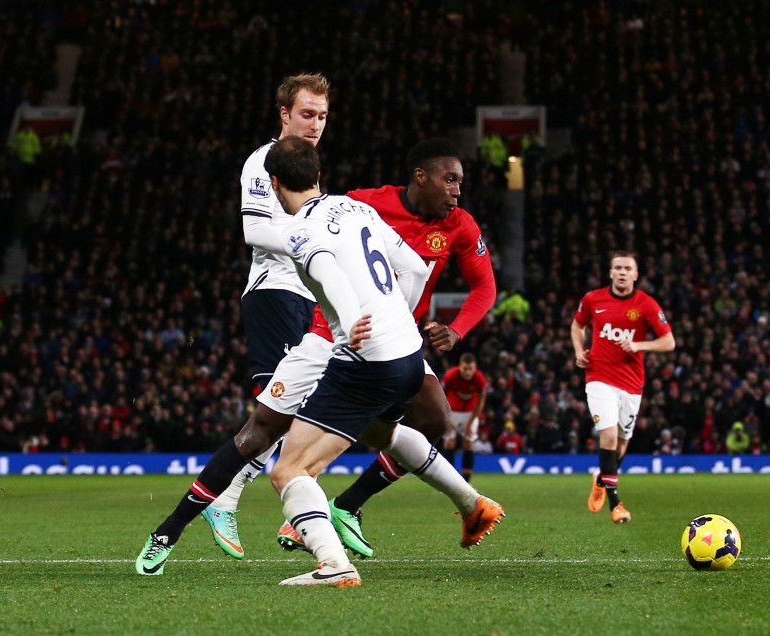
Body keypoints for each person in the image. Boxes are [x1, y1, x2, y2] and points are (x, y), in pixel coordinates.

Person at [136, 139, 503, 576]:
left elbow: (325, 269)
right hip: (402, 346)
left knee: (284, 460)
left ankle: (311, 552)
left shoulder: (303, 227)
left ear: (273, 184)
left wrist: (353, 322)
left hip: (350, 348)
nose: (458, 190)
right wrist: (393, 313)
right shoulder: (362, 208)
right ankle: (463, 503)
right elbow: (417, 269)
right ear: (318, 174)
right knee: (388, 432)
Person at [196, 74, 330, 557]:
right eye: (306, 114)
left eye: (321, 116)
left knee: (315, 408)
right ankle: (256, 502)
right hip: (274, 294)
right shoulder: (264, 161)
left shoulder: (308, 166)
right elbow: (255, 230)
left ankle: (290, 506)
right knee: (289, 410)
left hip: (308, 298)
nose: (315, 124)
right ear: (285, 115)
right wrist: (316, 245)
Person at [571, 251, 675, 524]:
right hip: (599, 377)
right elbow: (576, 325)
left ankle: (601, 478)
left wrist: (640, 345)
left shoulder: (646, 304)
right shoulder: (593, 299)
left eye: (627, 268)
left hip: (631, 383)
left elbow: (668, 342)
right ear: (610, 272)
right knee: (607, 436)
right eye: (617, 267)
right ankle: (616, 505)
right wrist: (579, 350)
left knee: (620, 446)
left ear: (635, 274)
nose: (622, 272)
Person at [441, 352, 487, 480]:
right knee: (449, 443)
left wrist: (470, 422)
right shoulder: (450, 376)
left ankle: (466, 479)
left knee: (468, 443)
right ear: (460, 366)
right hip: (452, 411)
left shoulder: (479, 379)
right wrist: (446, 419)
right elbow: (440, 396)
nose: (467, 372)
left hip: (469, 413)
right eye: (465, 369)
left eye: (470, 369)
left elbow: (480, 402)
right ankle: (448, 478)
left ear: (475, 368)